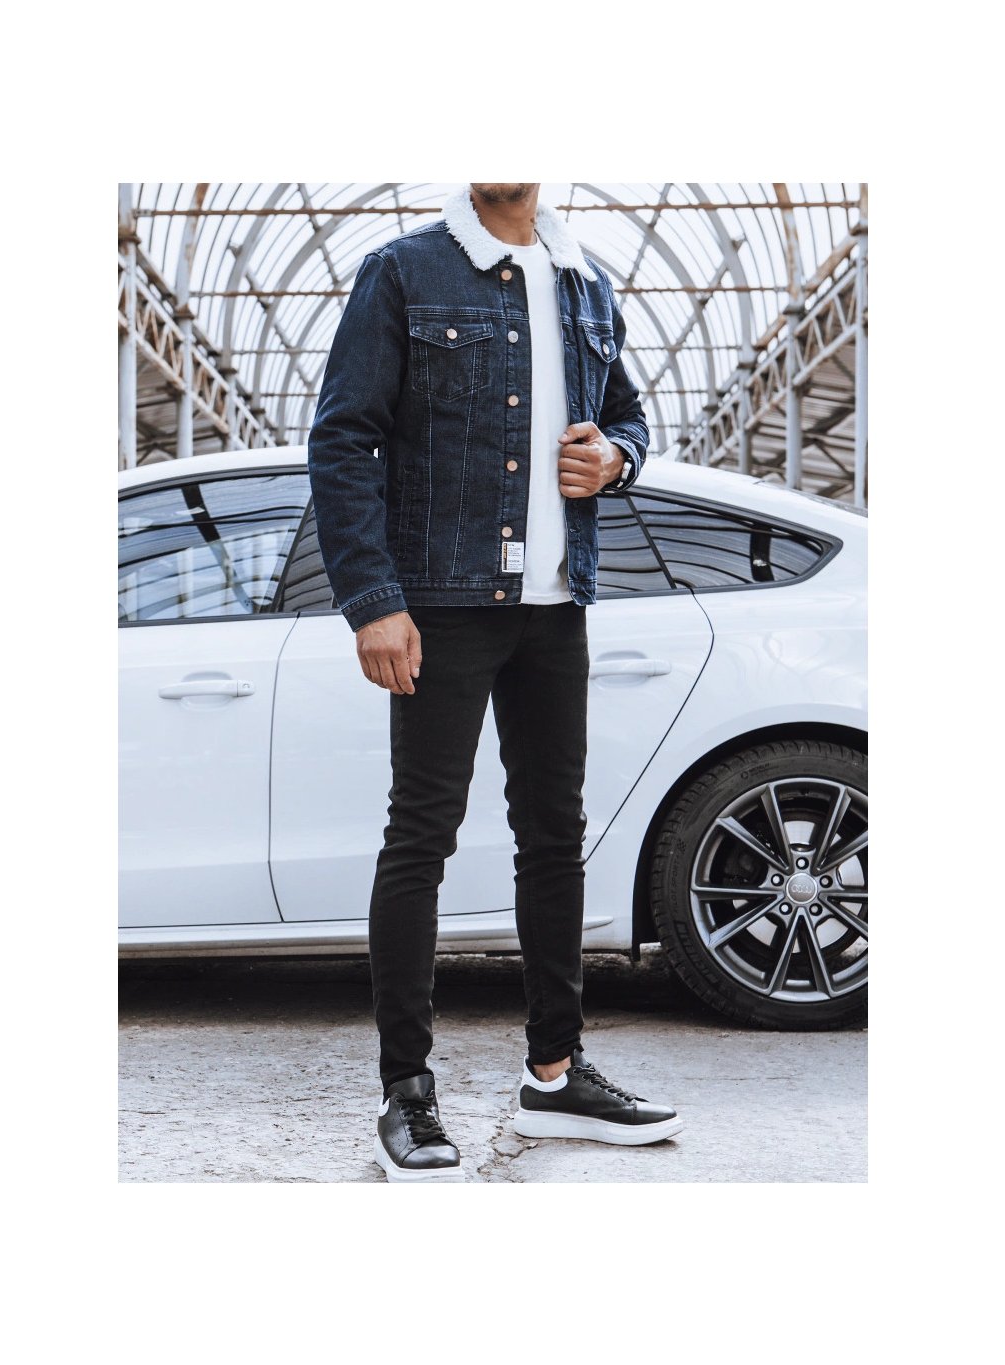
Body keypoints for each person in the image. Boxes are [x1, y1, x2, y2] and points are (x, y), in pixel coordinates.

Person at [308, 183, 683, 1183]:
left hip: (556, 606)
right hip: (441, 600)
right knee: (421, 835)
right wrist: (371, 598)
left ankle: (554, 1074)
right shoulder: (404, 272)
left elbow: (629, 419)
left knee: (554, 835)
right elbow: (343, 435)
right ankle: (405, 1092)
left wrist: (616, 459)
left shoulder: (585, 281)